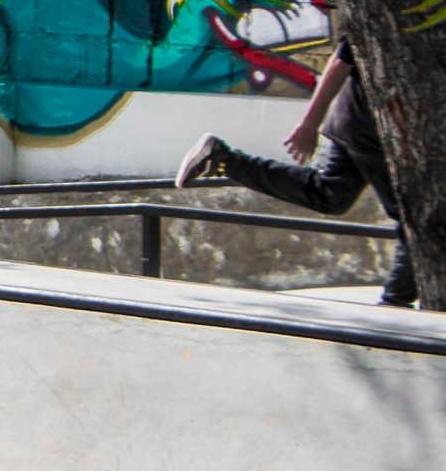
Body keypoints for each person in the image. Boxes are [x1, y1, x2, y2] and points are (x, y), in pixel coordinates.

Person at [176, 26, 415, 307]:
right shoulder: (404, 7)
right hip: (369, 126)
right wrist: (309, 124)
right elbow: (341, 60)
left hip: (359, 122)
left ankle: (223, 159)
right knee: (413, 216)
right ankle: (394, 306)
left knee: (330, 194)